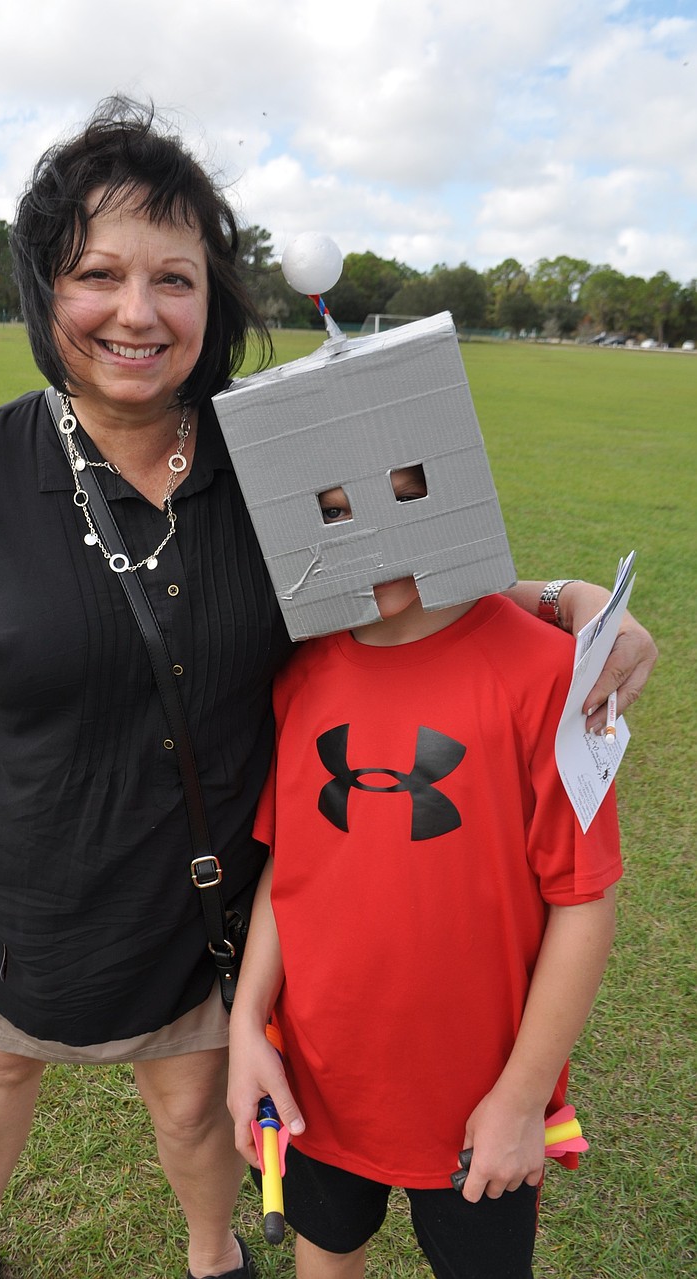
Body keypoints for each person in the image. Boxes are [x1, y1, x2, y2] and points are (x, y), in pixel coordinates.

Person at [0, 96, 654, 1279]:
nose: (137, 312)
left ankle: (211, 1253)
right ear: (44, 291)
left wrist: (563, 597)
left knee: (193, 1099)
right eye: (97, 274)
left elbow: (394, 564)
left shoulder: (269, 465)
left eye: (173, 279)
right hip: (24, 877)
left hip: (205, 880)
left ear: (212, 300)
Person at [226, 465, 624, 1279]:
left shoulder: (546, 672)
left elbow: (583, 901)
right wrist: (247, 1023)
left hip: (480, 1096)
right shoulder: (301, 669)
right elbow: (289, 866)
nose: (373, 533)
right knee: (326, 1245)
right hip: (320, 1078)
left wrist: (521, 1096)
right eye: (335, 511)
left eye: (404, 497)